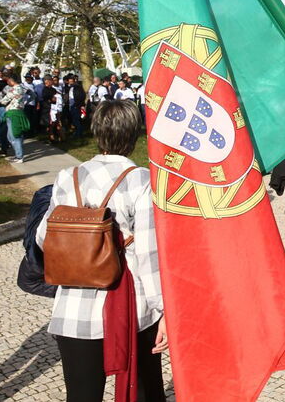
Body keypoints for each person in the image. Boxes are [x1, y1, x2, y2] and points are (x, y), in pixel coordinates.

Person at [36, 100, 166, 402]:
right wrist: (165, 311)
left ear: (96, 131)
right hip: (132, 307)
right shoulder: (141, 180)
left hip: (73, 307)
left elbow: (44, 237)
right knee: (144, 391)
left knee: (81, 396)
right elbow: (148, 254)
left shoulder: (68, 176)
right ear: (134, 134)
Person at [0, 73, 27, 163]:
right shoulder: (22, 88)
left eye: (8, 80)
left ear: (11, 80)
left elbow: (3, 101)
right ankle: (18, 154)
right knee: (12, 136)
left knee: (14, 135)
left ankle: (19, 156)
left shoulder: (14, 89)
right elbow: (32, 95)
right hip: (18, 111)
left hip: (13, 113)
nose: (7, 82)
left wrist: (1, 98)